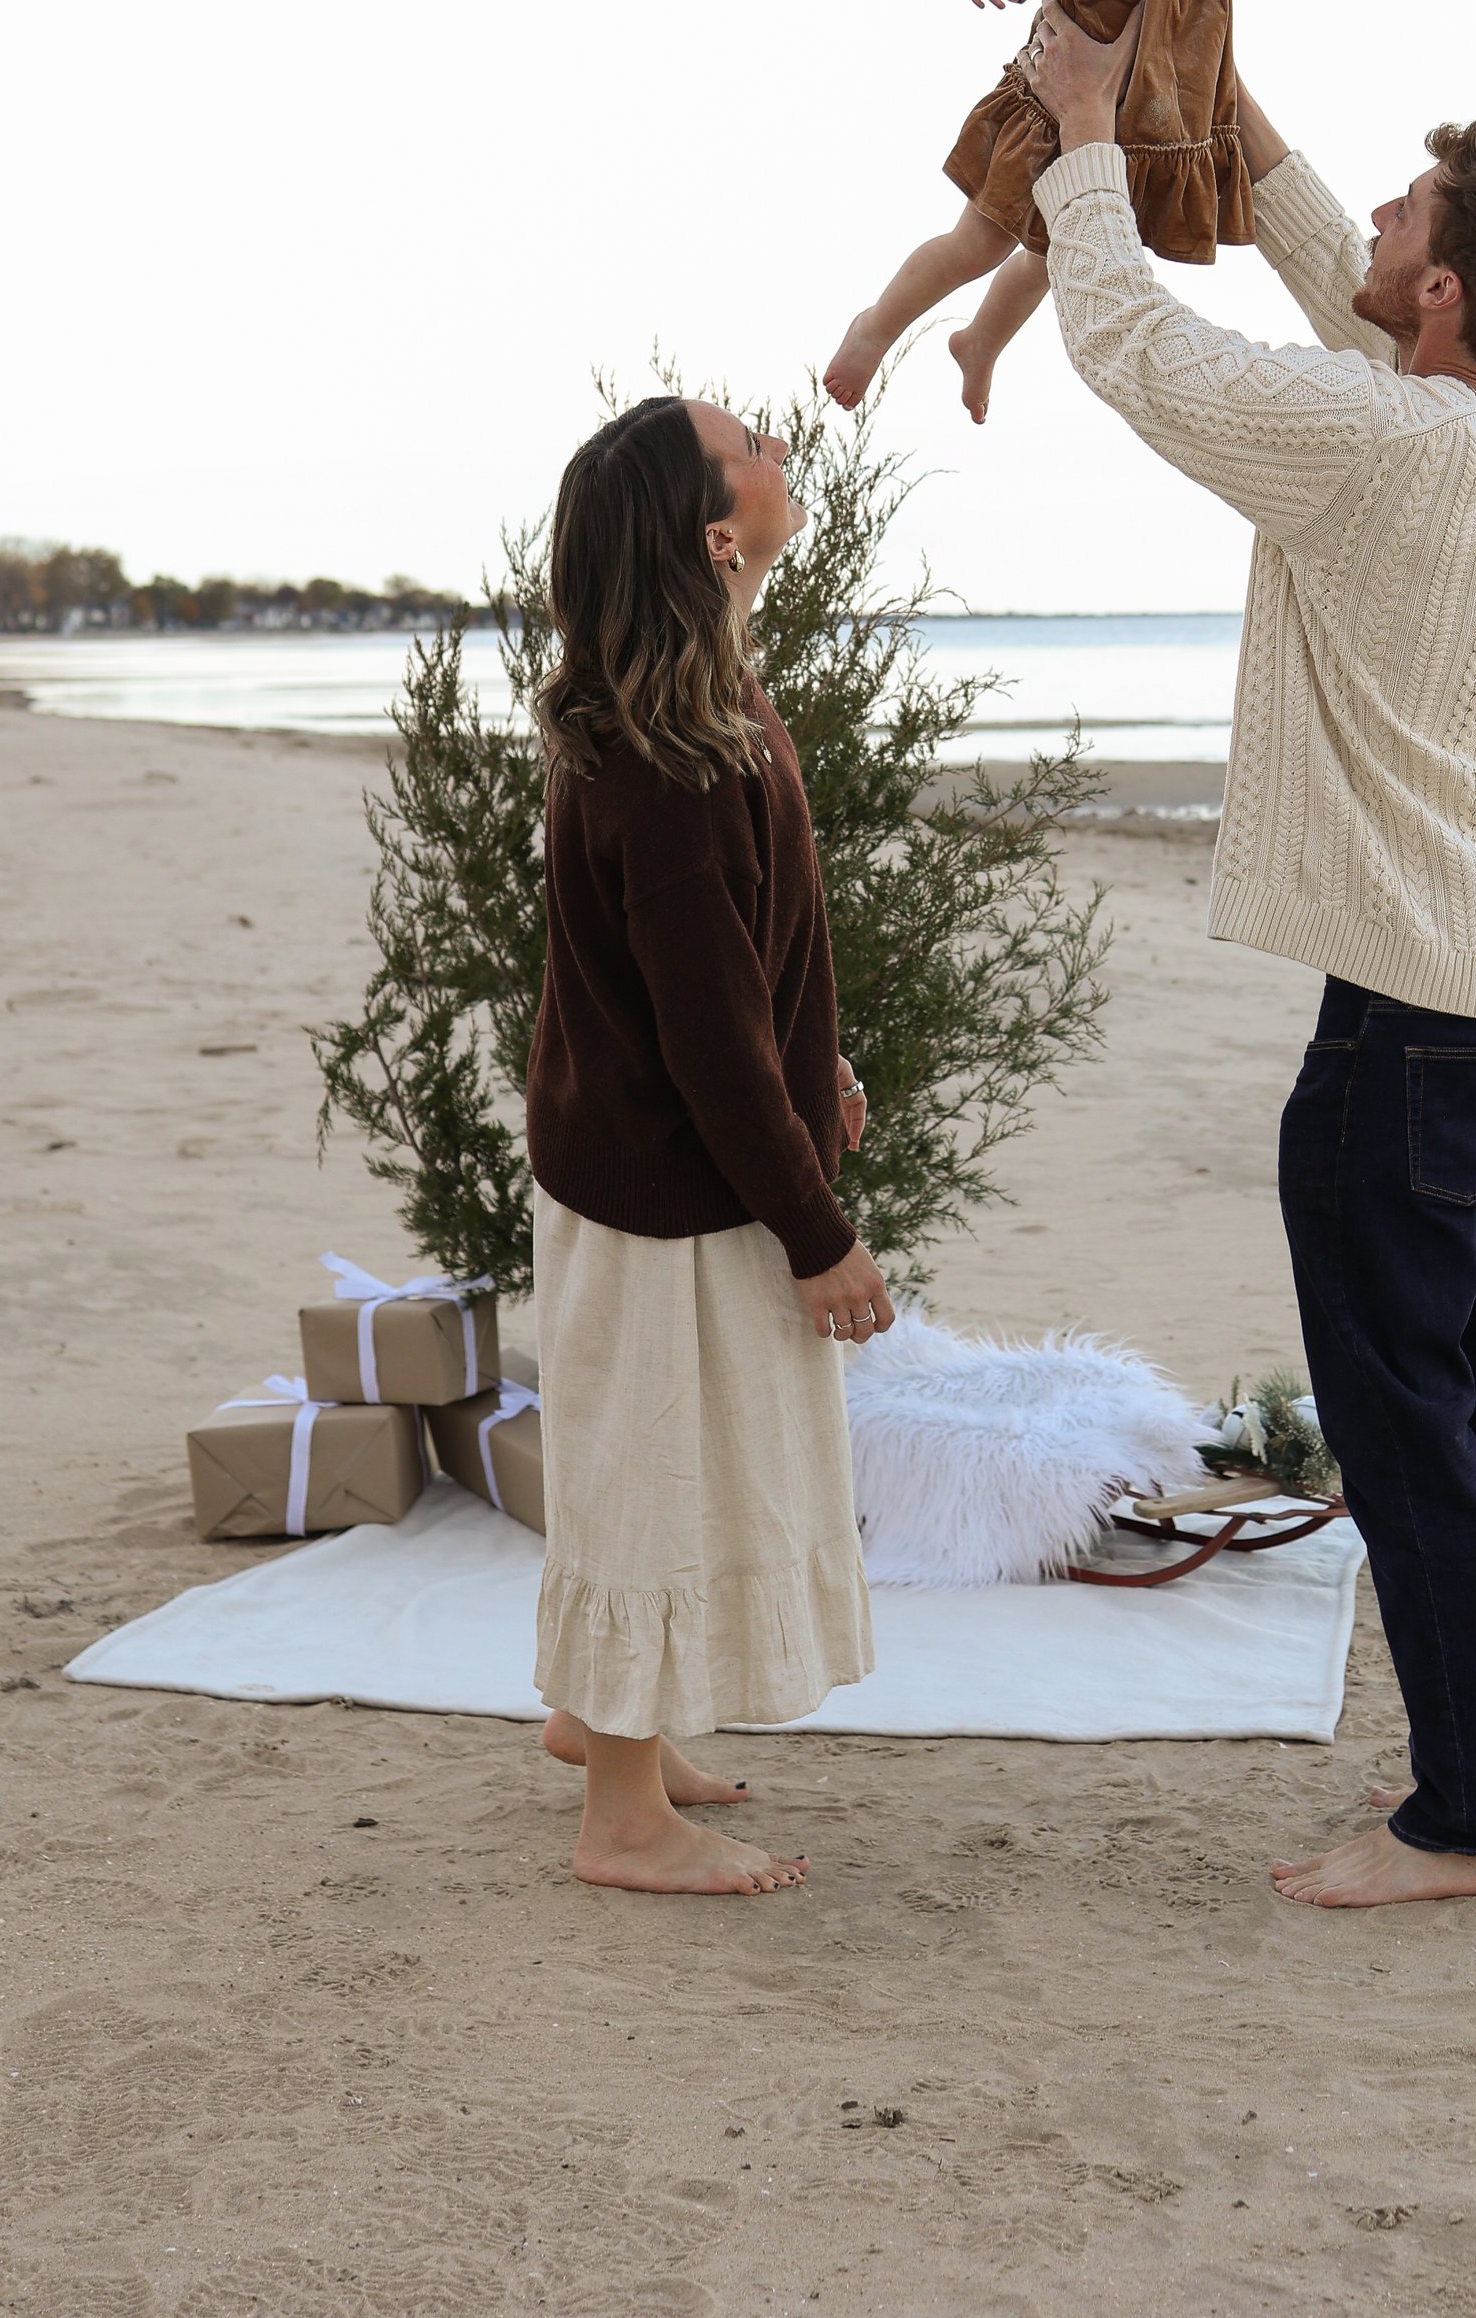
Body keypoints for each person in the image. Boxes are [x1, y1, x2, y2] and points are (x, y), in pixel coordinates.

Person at [1023, 10, 1476, 1908]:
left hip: (1421, 1020)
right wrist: (1230, 92)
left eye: (1399, 212)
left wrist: (1091, 133)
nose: (1362, 212)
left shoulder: (1369, 448)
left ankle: (1467, 1828)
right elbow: (1366, 318)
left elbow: (1135, 346)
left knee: (1402, 1411)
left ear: (1439, 289)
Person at [522, 394, 894, 1896]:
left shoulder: (694, 707)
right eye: (756, 444)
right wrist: (822, 1233)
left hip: (648, 1153)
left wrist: (823, 1059)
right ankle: (623, 1818)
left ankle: (601, 1719)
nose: (784, 449)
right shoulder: (673, 760)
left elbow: (744, 967)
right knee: (654, 1475)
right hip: (657, 1187)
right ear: (715, 532)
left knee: (645, 1459)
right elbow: (703, 1036)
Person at [822, 0, 1425, 421]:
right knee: (980, 244)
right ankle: (876, 326)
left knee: (1057, 255)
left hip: (1131, 141)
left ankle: (981, 342)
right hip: (1053, 125)